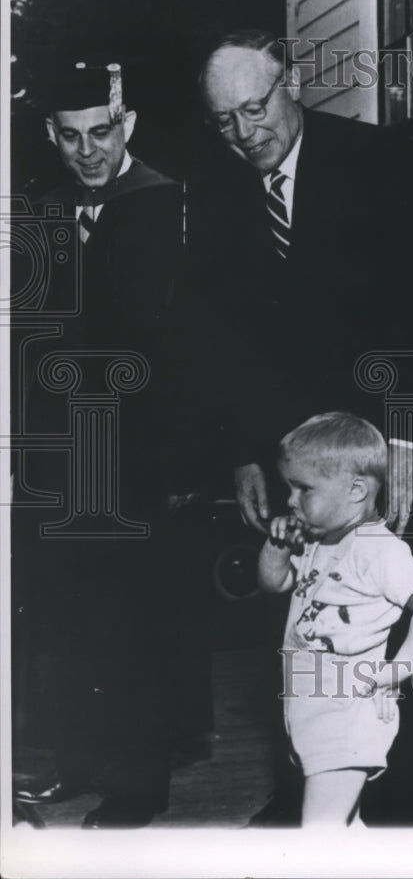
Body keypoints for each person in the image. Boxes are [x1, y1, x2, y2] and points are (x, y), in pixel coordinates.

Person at [182, 29, 413, 825]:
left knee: (411, 613)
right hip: (321, 457)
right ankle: (322, 790)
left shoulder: (382, 161)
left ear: (290, 82)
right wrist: (245, 453)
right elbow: (225, 341)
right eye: (223, 120)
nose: (243, 132)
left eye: (254, 108)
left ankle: (405, 807)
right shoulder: (219, 196)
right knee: (317, 619)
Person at [12, 61, 204, 828]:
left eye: (101, 132)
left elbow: (189, 346)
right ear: (49, 135)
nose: (87, 151)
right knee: (65, 613)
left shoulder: (169, 204)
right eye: (70, 137)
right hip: (61, 453)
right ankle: (78, 762)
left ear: (127, 125)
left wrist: (183, 458)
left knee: (135, 619)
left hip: (139, 453)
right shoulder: (41, 213)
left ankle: (138, 783)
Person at [258, 413, 413, 827]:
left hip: (348, 712)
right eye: (288, 487)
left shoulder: (379, 550)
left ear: (357, 490)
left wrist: (397, 671)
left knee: (319, 832)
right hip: (309, 704)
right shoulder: (319, 539)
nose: (290, 500)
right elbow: (276, 583)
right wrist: (277, 548)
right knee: (342, 827)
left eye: (303, 488)